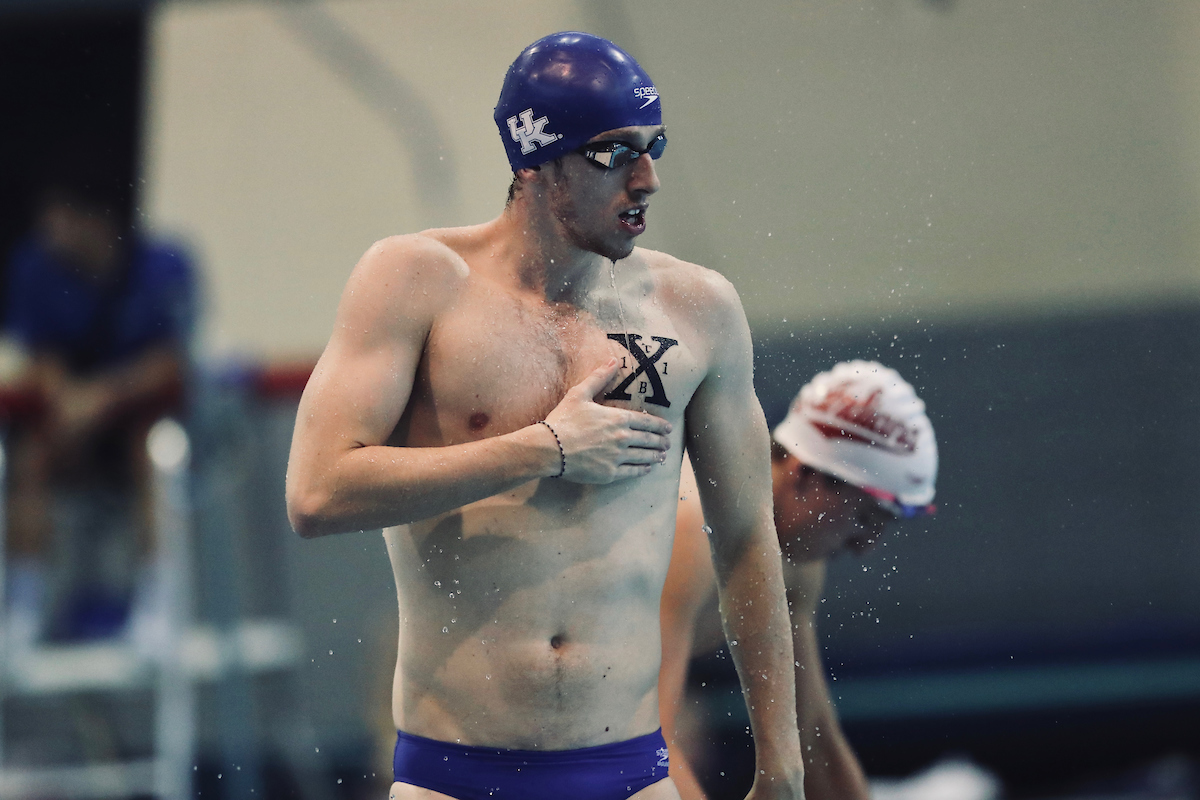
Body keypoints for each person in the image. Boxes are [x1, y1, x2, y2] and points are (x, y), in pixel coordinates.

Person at [286, 32, 805, 800]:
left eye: (652, 146)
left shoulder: (698, 311)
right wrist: (541, 448)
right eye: (613, 153)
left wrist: (781, 760)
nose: (648, 179)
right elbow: (317, 495)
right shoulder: (417, 282)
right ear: (534, 161)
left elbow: (746, 539)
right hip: (453, 777)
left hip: (629, 775)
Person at [658, 361, 938, 800]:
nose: (864, 547)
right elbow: (641, 741)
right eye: (864, 519)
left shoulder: (795, 559)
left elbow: (810, 734)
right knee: (686, 736)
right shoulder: (693, 529)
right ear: (806, 474)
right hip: (530, 711)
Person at [2, 169, 194, 651]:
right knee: (29, 456)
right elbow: (40, 352)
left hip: (143, 428)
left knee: (152, 450)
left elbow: (170, 360)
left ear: (98, 219)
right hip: (70, 430)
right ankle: (21, 608)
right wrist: (69, 404)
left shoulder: (163, 263)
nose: (48, 227)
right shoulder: (35, 267)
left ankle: (156, 604)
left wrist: (101, 399)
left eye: (60, 215)